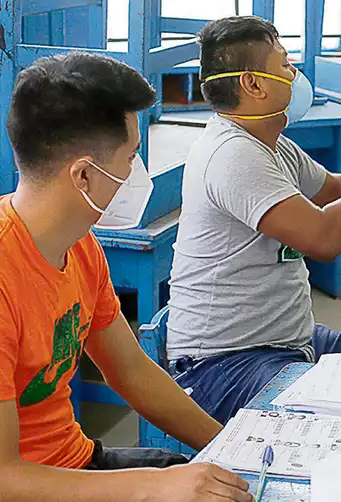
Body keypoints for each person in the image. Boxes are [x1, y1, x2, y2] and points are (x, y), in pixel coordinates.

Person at [166, 16, 341, 423]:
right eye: (285, 65)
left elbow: (334, 188)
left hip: (286, 340)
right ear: (253, 84)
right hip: (225, 364)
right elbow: (324, 238)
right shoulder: (232, 155)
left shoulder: (268, 143)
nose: (295, 76)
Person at [0, 53, 252, 501]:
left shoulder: (79, 245)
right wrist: (151, 487)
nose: (134, 176)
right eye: (131, 158)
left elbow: (132, 371)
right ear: (82, 175)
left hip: (75, 465)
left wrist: (232, 450)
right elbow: (4, 477)